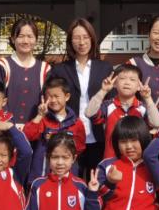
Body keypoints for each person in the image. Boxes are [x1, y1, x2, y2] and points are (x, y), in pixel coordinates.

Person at [48, 18, 114, 183]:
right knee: (70, 182)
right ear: (70, 41)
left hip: (97, 135)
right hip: (69, 135)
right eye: (77, 38)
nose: (82, 42)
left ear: (92, 39)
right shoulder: (60, 70)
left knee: (96, 182)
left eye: (85, 37)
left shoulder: (105, 68)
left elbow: (111, 101)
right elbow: (51, 99)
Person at [85, 64, 159, 160]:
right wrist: (103, 90)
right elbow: (89, 113)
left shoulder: (142, 108)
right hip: (112, 161)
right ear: (115, 84)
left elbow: (157, 123)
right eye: (122, 78)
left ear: (139, 86)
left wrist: (148, 98)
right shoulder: (108, 106)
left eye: (132, 80)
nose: (127, 82)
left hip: (137, 162)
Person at [22, 76, 86, 185]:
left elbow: (79, 148)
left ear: (67, 97)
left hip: (68, 178)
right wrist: (39, 116)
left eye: (57, 96)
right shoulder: (42, 119)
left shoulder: (76, 123)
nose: (53, 100)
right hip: (43, 176)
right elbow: (26, 136)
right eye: (49, 97)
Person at [0, 18, 52, 124]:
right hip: (6, 128)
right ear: (13, 39)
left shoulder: (45, 69)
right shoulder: (2, 66)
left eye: (30, 36)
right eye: (21, 36)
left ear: (36, 40)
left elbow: (48, 101)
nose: (25, 41)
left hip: (36, 128)